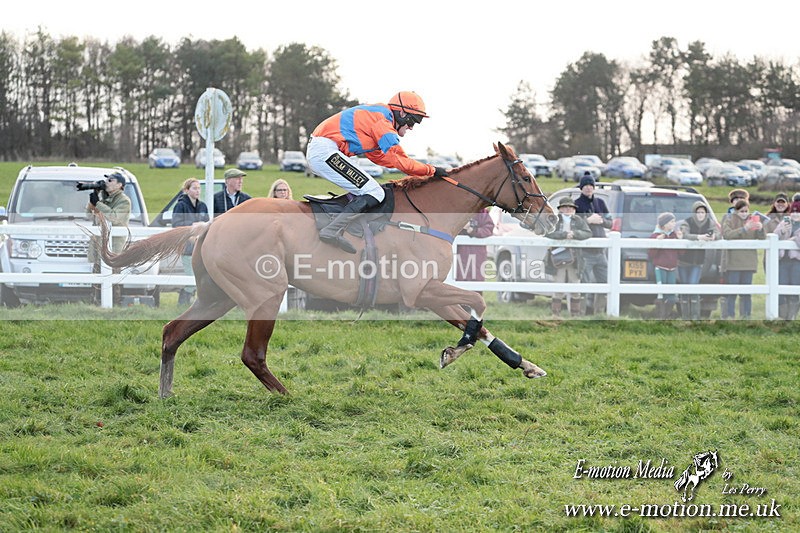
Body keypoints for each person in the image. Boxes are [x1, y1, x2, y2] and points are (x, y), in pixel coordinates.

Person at [306, 91, 448, 253]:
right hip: (324, 151)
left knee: (371, 190)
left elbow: (381, 158)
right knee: (374, 191)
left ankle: (343, 227)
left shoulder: (379, 118)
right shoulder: (383, 121)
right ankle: (331, 230)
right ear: (402, 113)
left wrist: (418, 169)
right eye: (413, 121)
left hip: (324, 150)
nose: (411, 127)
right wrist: (432, 170)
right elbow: (400, 160)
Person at [86, 171, 131, 304]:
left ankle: (114, 304)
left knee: (113, 276)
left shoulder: (124, 201)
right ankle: (96, 303)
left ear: (120, 185)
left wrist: (98, 204)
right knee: (97, 275)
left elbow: (114, 218)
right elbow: (89, 215)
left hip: (114, 246)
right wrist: (93, 201)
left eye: (111, 180)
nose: (107, 183)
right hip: (99, 243)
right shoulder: (105, 199)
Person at [544, 196, 591, 317]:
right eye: (565, 207)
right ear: (560, 209)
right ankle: (556, 315)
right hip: (557, 257)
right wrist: (564, 235)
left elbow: (588, 233)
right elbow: (548, 233)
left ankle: (575, 315)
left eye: (570, 207)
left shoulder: (578, 220)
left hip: (575, 258)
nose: (568, 209)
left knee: (575, 286)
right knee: (558, 287)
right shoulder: (554, 220)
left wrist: (575, 234)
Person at [721, 199, 766, 319]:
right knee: (732, 292)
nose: (744, 213)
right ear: (736, 210)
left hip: (749, 263)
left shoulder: (753, 219)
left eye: (746, 211)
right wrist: (744, 229)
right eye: (742, 211)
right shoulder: (729, 219)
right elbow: (727, 235)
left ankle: (746, 316)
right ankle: (729, 316)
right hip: (734, 263)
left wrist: (761, 228)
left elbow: (762, 238)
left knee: (746, 293)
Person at [574, 173, 612, 315]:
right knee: (584, 284)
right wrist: (588, 221)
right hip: (585, 253)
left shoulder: (600, 203)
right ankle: (581, 314)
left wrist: (601, 221)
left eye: (591, 185)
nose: (589, 188)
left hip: (600, 252)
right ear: (581, 188)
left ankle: (599, 314)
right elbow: (572, 225)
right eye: (586, 186)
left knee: (604, 283)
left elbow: (610, 222)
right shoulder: (576, 204)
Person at [677, 202, 720, 319]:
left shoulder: (710, 222)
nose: (701, 215)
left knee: (693, 286)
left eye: (703, 212)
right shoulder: (687, 221)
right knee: (684, 288)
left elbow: (718, 233)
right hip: (684, 261)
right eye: (698, 212)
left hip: (698, 262)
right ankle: (685, 316)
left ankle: (695, 316)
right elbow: (685, 234)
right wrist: (699, 237)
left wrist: (713, 237)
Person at [172, 178, 209, 306]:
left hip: (199, 247)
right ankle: (182, 304)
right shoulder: (180, 205)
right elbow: (176, 224)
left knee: (198, 277)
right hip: (187, 247)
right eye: (194, 188)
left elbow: (207, 224)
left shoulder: (202, 206)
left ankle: (189, 304)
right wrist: (192, 226)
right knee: (190, 277)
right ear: (186, 190)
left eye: (199, 188)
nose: (198, 191)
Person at [649, 212, 682, 319]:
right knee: (661, 293)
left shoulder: (674, 236)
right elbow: (651, 254)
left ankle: (668, 315)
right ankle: (660, 316)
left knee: (671, 295)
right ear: (665, 224)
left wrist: (680, 240)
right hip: (661, 268)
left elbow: (681, 253)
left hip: (672, 268)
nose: (674, 224)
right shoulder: (655, 236)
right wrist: (657, 243)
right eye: (672, 222)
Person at [455, 209, 495, 293]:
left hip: (477, 254)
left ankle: (475, 304)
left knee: (476, 278)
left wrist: (473, 230)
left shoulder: (483, 213)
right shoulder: (458, 210)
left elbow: (488, 229)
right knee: (459, 278)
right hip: (459, 253)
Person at [774, 201, 800, 319]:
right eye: (793, 211)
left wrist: (795, 239)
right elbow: (774, 236)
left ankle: (792, 316)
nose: (795, 214)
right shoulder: (784, 222)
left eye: (798, 211)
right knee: (781, 285)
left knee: (794, 286)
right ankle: (782, 317)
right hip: (783, 260)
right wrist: (783, 231)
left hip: (796, 261)